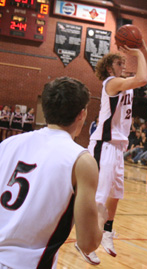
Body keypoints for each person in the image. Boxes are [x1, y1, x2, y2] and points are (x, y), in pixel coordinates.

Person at [0, 77, 107, 268]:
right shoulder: (81, 160)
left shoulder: (8, 144)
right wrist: (101, 218)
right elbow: (87, 243)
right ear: (82, 114)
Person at [81, 41, 147, 264]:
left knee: (114, 196)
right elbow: (142, 78)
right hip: (104, 145)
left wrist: (143, 50)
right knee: (100, 197)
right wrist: (135, 52)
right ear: (108, 67)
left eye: (124, 62)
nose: (123, 64)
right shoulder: (111, 83)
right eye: (118, 62)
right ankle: (84, 242)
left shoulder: (125, 83)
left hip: (118, 147)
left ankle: (106, 233)